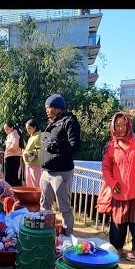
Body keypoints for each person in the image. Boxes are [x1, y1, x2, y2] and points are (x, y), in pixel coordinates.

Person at [99, 112, 135, 262]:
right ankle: (117, 248)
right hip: (118, 192)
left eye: (123, 124)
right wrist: (112, 183)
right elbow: (106, 168)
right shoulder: (111, 146)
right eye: (117, 125)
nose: (120, 128)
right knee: (118, 225)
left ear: (129, 124)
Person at [39, 94, 81, 236]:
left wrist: (57, 152)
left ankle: (68, 234)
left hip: (61, 171)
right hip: (47, 171)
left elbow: (75, 146)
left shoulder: (70, 122)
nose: (46, 110)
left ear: (57, 108)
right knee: (44, 203)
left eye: (48, 107)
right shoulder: (52, 122)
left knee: (63, 205)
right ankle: (46, 231)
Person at [22, 119, 42, 187]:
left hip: (35, 165)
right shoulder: (32, 136)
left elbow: (41, 150)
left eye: (29, 128)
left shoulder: (39, 136)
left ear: (35, 127)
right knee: (29, 185)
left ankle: (37, 198)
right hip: (28, 164)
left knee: (36, 185)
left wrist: (31, 152)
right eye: (27, 128)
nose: (28, 130)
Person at [3, 122, 24, 187]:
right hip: (10, 157)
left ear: (12, 128)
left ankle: (15, 191)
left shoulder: (14, 134)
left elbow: (15, 146)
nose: (5, 131)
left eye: (7, 129)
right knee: (9, 176)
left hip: (13, 157)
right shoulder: (10, 134)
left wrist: (7, 150)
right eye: (5, 129)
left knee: (12, 177)